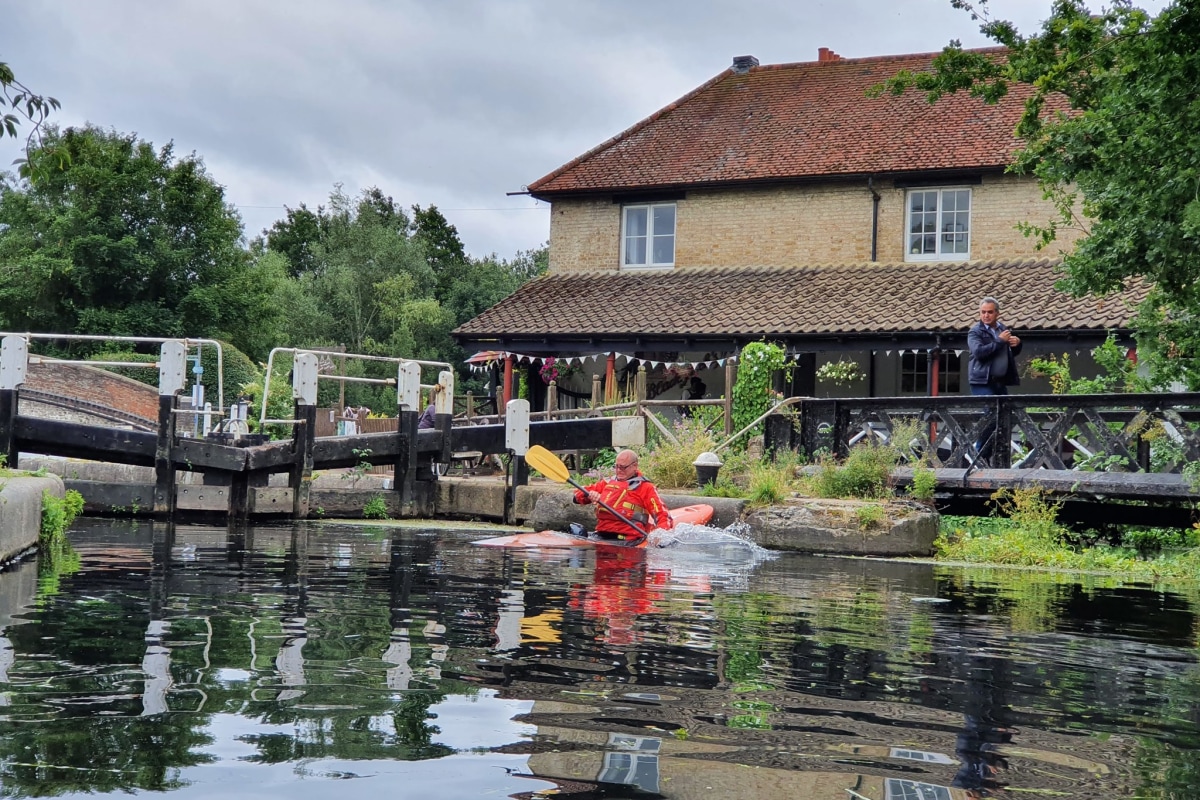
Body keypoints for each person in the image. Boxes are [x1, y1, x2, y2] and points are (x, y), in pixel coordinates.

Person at [573, 449, 673, 541]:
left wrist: (661, 537)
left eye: (623, 467)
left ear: (635, 466)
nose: (619, 470)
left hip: (629, 539)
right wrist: (589, 495)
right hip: (602, 535)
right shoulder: (607, 483)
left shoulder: (646, 487)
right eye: (616, 466)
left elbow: (662, 516)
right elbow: (576, 496)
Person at [967, 297, 1022, 462]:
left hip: (999, 380)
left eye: (990, 312)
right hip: (981, 380)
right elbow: (979, 353)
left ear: (997, 313)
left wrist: (1017, 344)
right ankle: (979, 454)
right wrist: (999, 341)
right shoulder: (975, 331)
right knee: (990, 415)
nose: (986, 315)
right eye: (983, 312)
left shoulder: (1003, 329)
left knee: (1004, 415)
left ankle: (994, 456)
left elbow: (1007, 355)